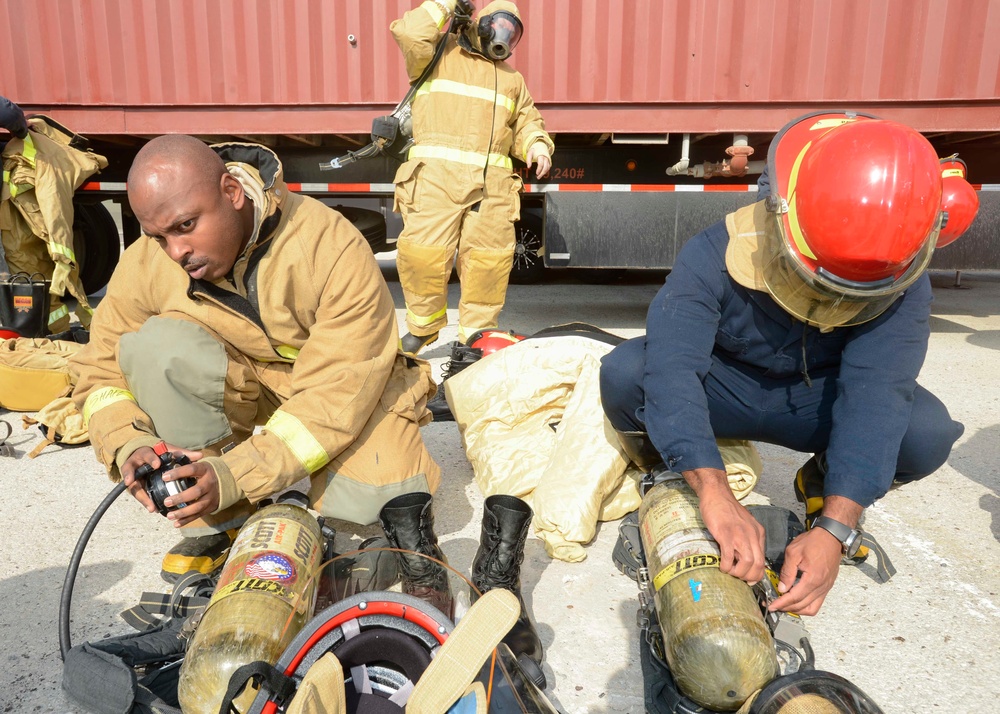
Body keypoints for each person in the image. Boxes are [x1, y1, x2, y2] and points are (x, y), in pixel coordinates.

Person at [599, 111, 968, 616]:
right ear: (782, 216)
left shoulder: (901, 274)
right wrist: (714, 492)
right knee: (626, 373)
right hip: (723, 390)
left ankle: (820, 483)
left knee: (924, 432)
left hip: (816, 402)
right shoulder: (716, 249)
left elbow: (877, 394)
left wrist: (836, 529)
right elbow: (673, 370)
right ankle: (668, 469)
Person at [70, 135, 444, 584]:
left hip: (342, 391)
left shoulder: (328, 244)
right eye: (158, 236)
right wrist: (127, 444)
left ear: (232, 192)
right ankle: (221, 520)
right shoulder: (148, 262)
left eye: (186, 226)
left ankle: (260, 494)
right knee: (159, 349)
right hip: (247, 386)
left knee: (378, 500)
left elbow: (338, 393)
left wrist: (237, 473)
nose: (175, 252)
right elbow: (99, 368)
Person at [390, 0, 554, 355]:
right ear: (480, 24)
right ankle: (422, 327)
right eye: (500, 26)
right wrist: (446, 3)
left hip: (493, 188)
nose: (505, 37)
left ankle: (476, 337)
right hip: (435, 180)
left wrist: (538, 147)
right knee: (422, 255)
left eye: (513, 32)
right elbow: (409, 31)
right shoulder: (437, 55)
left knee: (488, 262)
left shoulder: (512, 79)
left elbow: (527, 122)